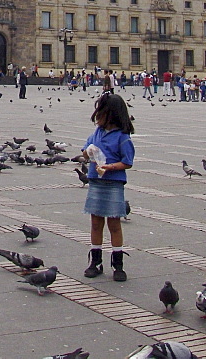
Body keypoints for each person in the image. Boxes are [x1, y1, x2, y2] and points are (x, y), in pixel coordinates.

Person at [81, 92, 135, 281]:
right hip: (96, 181)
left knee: (114, 224)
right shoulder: (96, 133)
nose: (97, 117)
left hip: (113, 183)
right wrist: (88, 152)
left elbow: (128, 162)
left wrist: (110, 167)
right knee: (96, 223)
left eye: (100, 113)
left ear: (111, 114)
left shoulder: (122, 137)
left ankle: (117, 263)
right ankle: (95, 261)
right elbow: (84, 152)